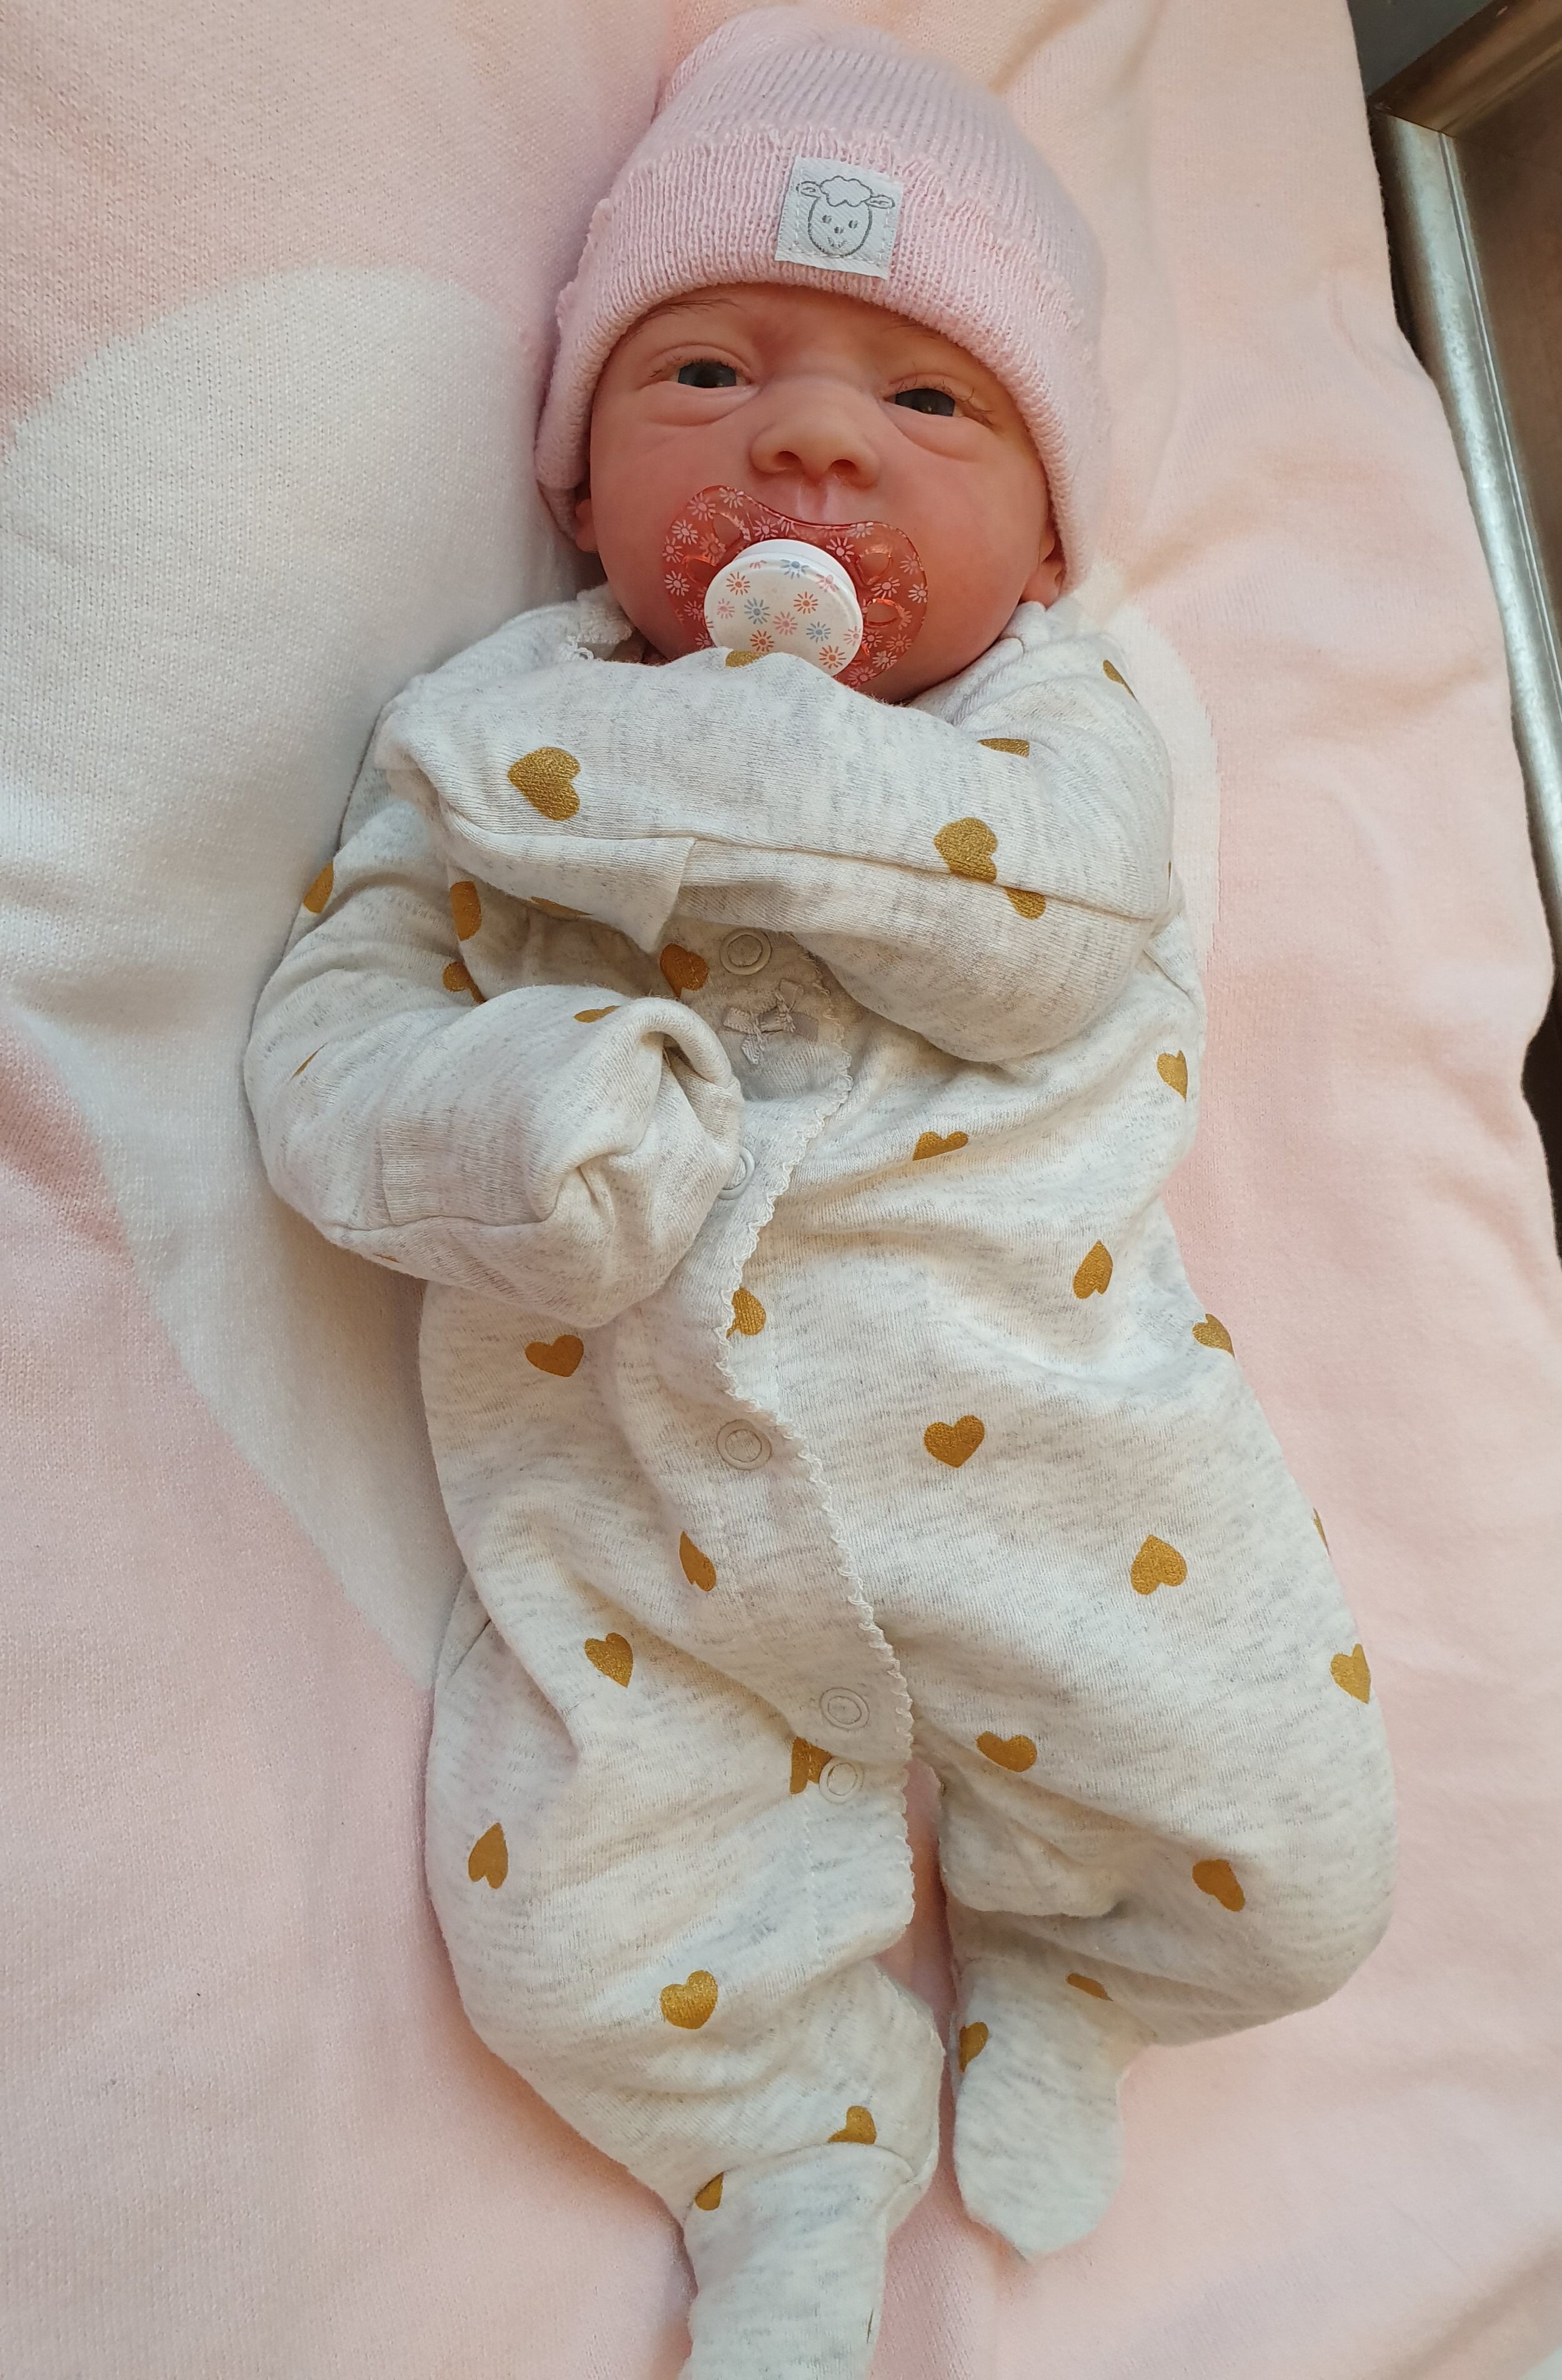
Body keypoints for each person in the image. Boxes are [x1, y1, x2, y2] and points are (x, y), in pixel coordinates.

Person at [244, 13, 1395, 2374]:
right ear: (576, 483)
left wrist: (722, 748)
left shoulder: (1053, 727)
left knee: (1292, 1857)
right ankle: (784, 2148)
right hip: (638, 1507)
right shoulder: (485, 739)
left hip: (1058, 1459)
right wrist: (518, 1112)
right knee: (566, 1939)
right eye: (703, 370)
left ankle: (1080, 1967)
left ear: (1048, 541)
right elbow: (326, 1056)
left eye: (926, 398)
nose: (806, 437)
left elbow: (1032, 935)